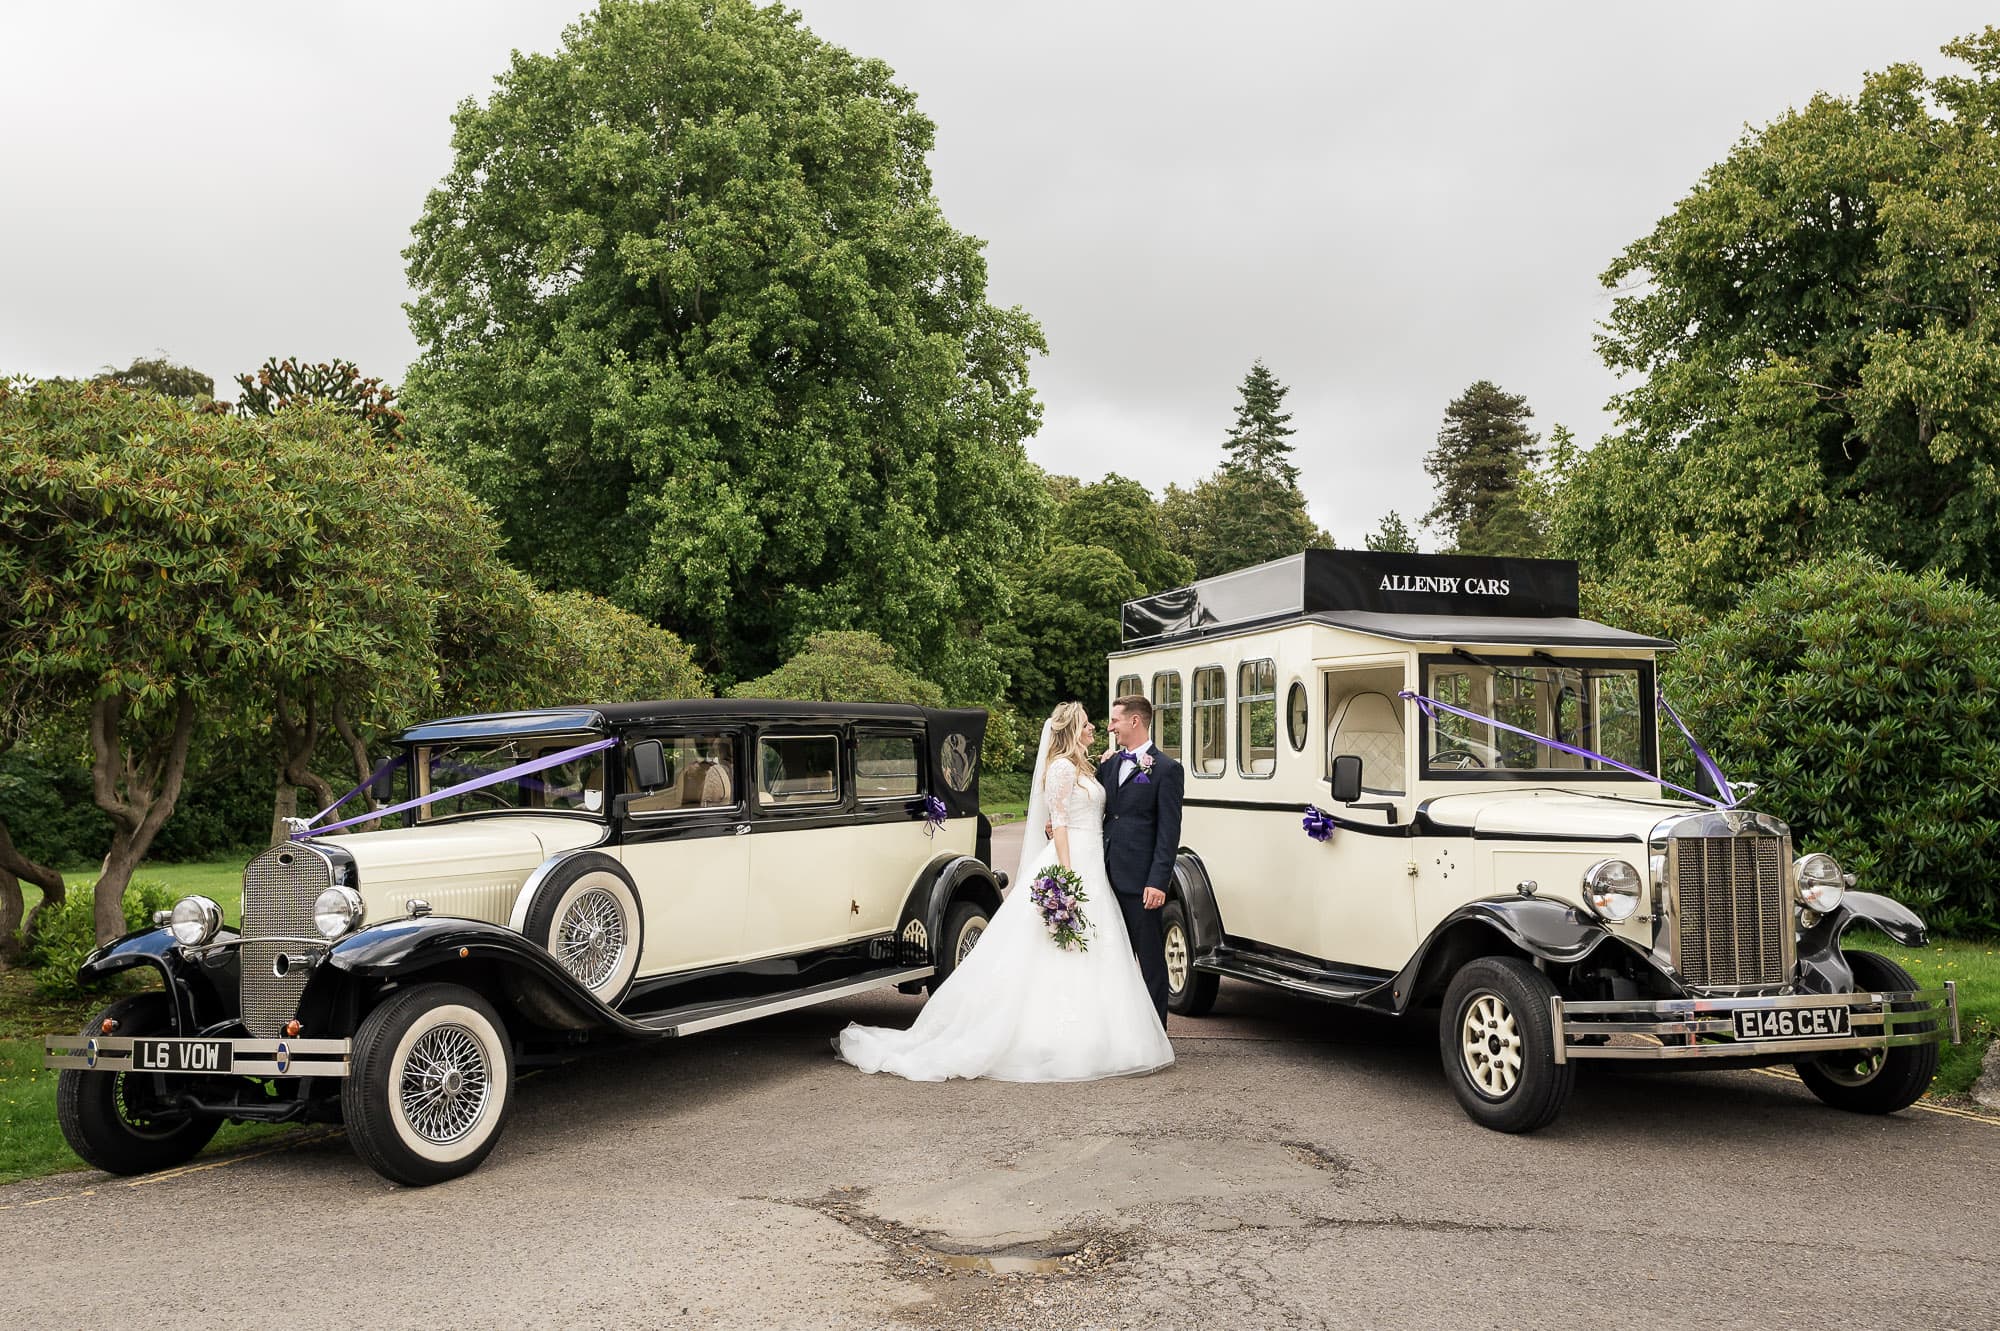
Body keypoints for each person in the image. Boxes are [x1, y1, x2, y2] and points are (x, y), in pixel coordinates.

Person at [834, 701, 1175, 1082]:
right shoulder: (1063, 768)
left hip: (1100, 867)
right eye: (1088, 724)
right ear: (1070, 730)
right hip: (1076, 864)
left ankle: (1115, 1035)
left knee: (1102, 953)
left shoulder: (1098, 767)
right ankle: (1059, 1038)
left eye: (1106, 722)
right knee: (1065, 952)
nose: (1098, 728)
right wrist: (1066, 873)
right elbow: (1058, 822)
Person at [1097, 693, 1181, 1025]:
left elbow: (1168, 832)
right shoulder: (1109, 764)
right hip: (1103, 874)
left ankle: (1156, 1034)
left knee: (1149, 960)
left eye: (1115, 720)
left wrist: (1158, 881)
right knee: (1109, 959)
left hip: (1141, 882)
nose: (1110, 726)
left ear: (1135, 721)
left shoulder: (1167, 770)